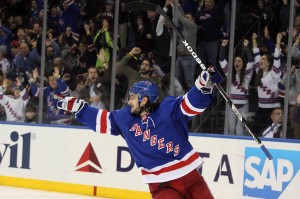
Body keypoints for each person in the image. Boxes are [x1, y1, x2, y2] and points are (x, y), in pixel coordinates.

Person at [57, 67, 223, 199]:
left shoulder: (168, 108)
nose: (129, 101)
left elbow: (190, 104)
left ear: (144, 99)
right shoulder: (125, 117)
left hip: (191, 177)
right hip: (162, 186)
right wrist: (79, 109)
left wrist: (203, 85)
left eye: (133, 97)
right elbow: (103, 120)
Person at [219, 38, 254, 135]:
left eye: (239, 61)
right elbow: (221, 60)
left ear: (243, 64)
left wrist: (246, 48)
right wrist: (223, 46)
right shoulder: (230, 75)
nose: (237, 63)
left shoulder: (247, 75)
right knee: (231, 129)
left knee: (239, 130)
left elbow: (251, 61)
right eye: (235, 61)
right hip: (232, 106)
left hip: (243, 106)